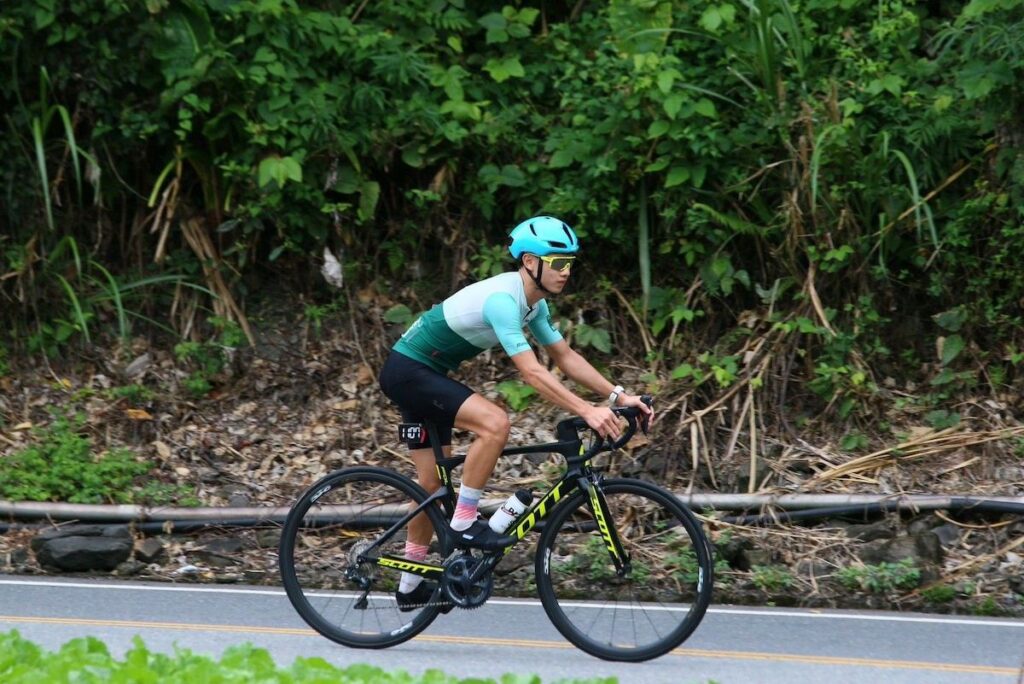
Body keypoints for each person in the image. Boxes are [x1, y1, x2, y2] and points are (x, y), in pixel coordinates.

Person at [377, 215, 655, 610]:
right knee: (495, 424)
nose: (566, 271)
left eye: (570, 263)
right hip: (408, 371)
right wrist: (586, 410)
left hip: (426, 374)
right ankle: (464, 522)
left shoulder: (533, 306)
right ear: (529, 262)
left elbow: (564, 356)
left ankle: (409, 586)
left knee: (429, 488)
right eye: (558, 263)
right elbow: (530, 371)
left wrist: (616, 396)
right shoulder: (504, 301)